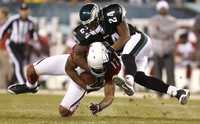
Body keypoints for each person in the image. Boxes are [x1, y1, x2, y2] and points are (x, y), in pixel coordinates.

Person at [72, 3, 189, 104]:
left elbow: (125, 37)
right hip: (132, 55)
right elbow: (77, 52)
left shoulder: (110, 15)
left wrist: (109, 50)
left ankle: (129, 81)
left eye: (91, 23)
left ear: (98, 17)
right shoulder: (88, 33)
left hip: (138, 40)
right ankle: (177, 92)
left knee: (126, 56)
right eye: (87, 25)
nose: (89, 27)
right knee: (141, 78)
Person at [7, 42, 121, 116]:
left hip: (86, 79)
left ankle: (74, 103)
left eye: (99, 68)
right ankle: (30, 87)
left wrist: (99, 106)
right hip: (73, 69)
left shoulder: (113, 66)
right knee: (31, 70)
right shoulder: (80, 51)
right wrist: (84, 86)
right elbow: (69, 69)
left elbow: (109, 95)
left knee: (64, 112)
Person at [0, 3, 39, 85]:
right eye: (22, 10)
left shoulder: (31, 21)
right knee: (18, 63)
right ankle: (24, 84)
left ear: (28, 11)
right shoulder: (13, 19)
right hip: (12, 44)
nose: (24, 12)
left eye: (25, 10)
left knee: (18, 64)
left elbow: (33, 34)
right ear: (19, 11)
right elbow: (3, 30)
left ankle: (10, 84)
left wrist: (33, 41)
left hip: (22, 46)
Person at [149, 0, 176, 97]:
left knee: (170, 73)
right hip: (157, 49)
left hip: (168, 49)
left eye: (164, 8)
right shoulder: (153, 19)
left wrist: (160, 29)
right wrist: (164, 32)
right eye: (161, 8)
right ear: (158, 9)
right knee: (158, 74)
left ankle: (173, 93)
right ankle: (159, 93)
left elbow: (171, 31)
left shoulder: (172, 19)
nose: (163, 10)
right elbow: (153, 33)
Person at [0, 7, 11, 89]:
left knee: (7, 69)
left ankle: (3, 86)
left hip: (4, 49)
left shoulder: (7, 24)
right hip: (2, 49)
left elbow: (7, 38)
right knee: (4, 68)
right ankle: (2, 86)